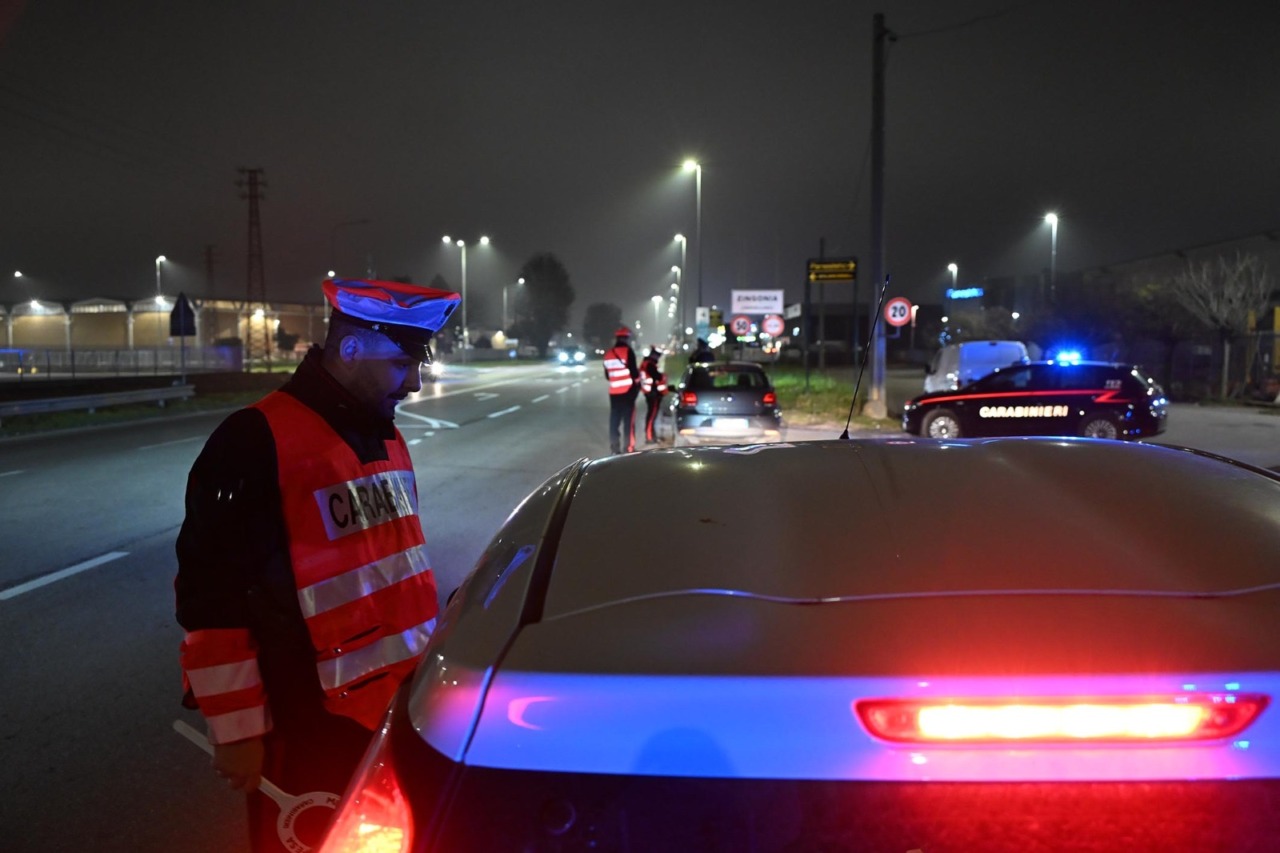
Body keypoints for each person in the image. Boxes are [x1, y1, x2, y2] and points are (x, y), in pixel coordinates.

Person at [174, 277, 460, 853]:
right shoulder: (254, 441)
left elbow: (394, 569)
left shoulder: (385, 436)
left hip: (395, 714)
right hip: (307, 727)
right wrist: (238, 731)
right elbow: (213, 596)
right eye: (402, 363)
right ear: (351, 349)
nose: (415, 382)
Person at [603, 325, 640, 454]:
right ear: (626, 338)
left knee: (614, 421)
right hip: (628, 392)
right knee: (628, 421)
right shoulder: (628, 352)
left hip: (614, 393)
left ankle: (614, 448)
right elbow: (635, 373)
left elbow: (607, 375)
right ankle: (628, 448)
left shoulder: (608, 354)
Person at [639, 345, 668, 444]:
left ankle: (652, 436)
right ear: (654, 356)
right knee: (651, 416)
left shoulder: (647, 363)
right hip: (652, 394)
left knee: (652, 415)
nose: (658, 358)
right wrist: (662, 376)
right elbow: (657, 377)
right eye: (658, 356)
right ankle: (649, 437)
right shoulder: (650, 365)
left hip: (651, 393)